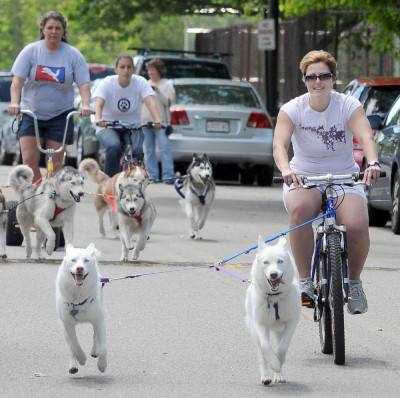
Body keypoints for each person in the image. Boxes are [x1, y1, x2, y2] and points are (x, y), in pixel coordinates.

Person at [273, 50, 381, 315]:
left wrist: (373, 162)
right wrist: (287, 170)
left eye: (324, 76)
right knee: (300, 211)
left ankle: (354, 283)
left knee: (356, 224)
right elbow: (279, 145)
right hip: (304, 177)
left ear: (333, 78)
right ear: (304, 80)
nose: (317, 81)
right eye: (311, 77)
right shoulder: (292, 109)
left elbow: (366, 137)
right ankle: (305, 282)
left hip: (344, 176)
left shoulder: (347, 105)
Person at [8, 10, 91, 184]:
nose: (53, 31)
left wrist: (85, 104)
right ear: (43, 30)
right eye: (50, 28)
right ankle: (38, 194)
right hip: (31, 113)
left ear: (63, 31)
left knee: (54, 163)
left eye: (57, 28)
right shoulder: (31, 51)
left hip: (60, 115)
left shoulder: (73, 54)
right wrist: (15, 102)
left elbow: (84, 84)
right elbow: (17, 82)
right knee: (29, 160)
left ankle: (49, 195)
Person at [94, 54, 162, 177]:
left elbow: (150, 102)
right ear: (116, 69)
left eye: (129, 67)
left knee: (137, 150)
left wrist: (157, 119)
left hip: (133, 126)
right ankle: (109, 182)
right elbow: (98, 103)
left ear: (133, 70)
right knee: (114, 147)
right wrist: (98, 118)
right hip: (107, 125)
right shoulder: (107, 83)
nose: (126, 70)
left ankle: (139, 180)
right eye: (122, 67)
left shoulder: (140, 82)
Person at [142, 59, 176, 183]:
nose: (150, 72)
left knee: (165, 149)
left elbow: (169, 102)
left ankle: (168, 176)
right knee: (149, 151)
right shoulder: (144, 83)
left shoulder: (167, 84)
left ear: (159, 71)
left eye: (153, 70)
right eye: (149, 70)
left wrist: (158, 91)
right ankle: (152, 176)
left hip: (161, 123)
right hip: (146, 122)